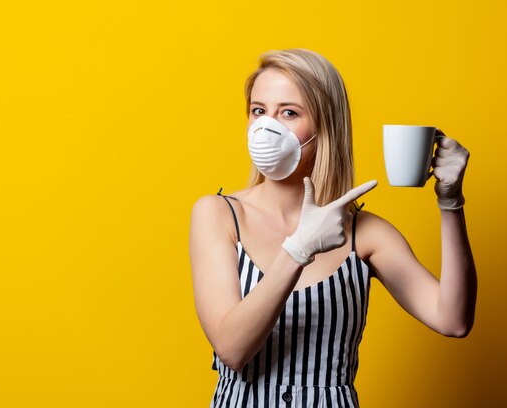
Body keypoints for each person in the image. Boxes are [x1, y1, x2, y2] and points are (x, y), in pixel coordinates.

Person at [189, 48, 477, 408]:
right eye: (258, 111)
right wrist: (298, 250)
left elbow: (453, 320)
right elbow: (232, 349)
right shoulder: (218, 215)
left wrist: (450, 202)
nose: (267, 126)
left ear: (326, 125)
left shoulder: (365, 233)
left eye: (289, 113)